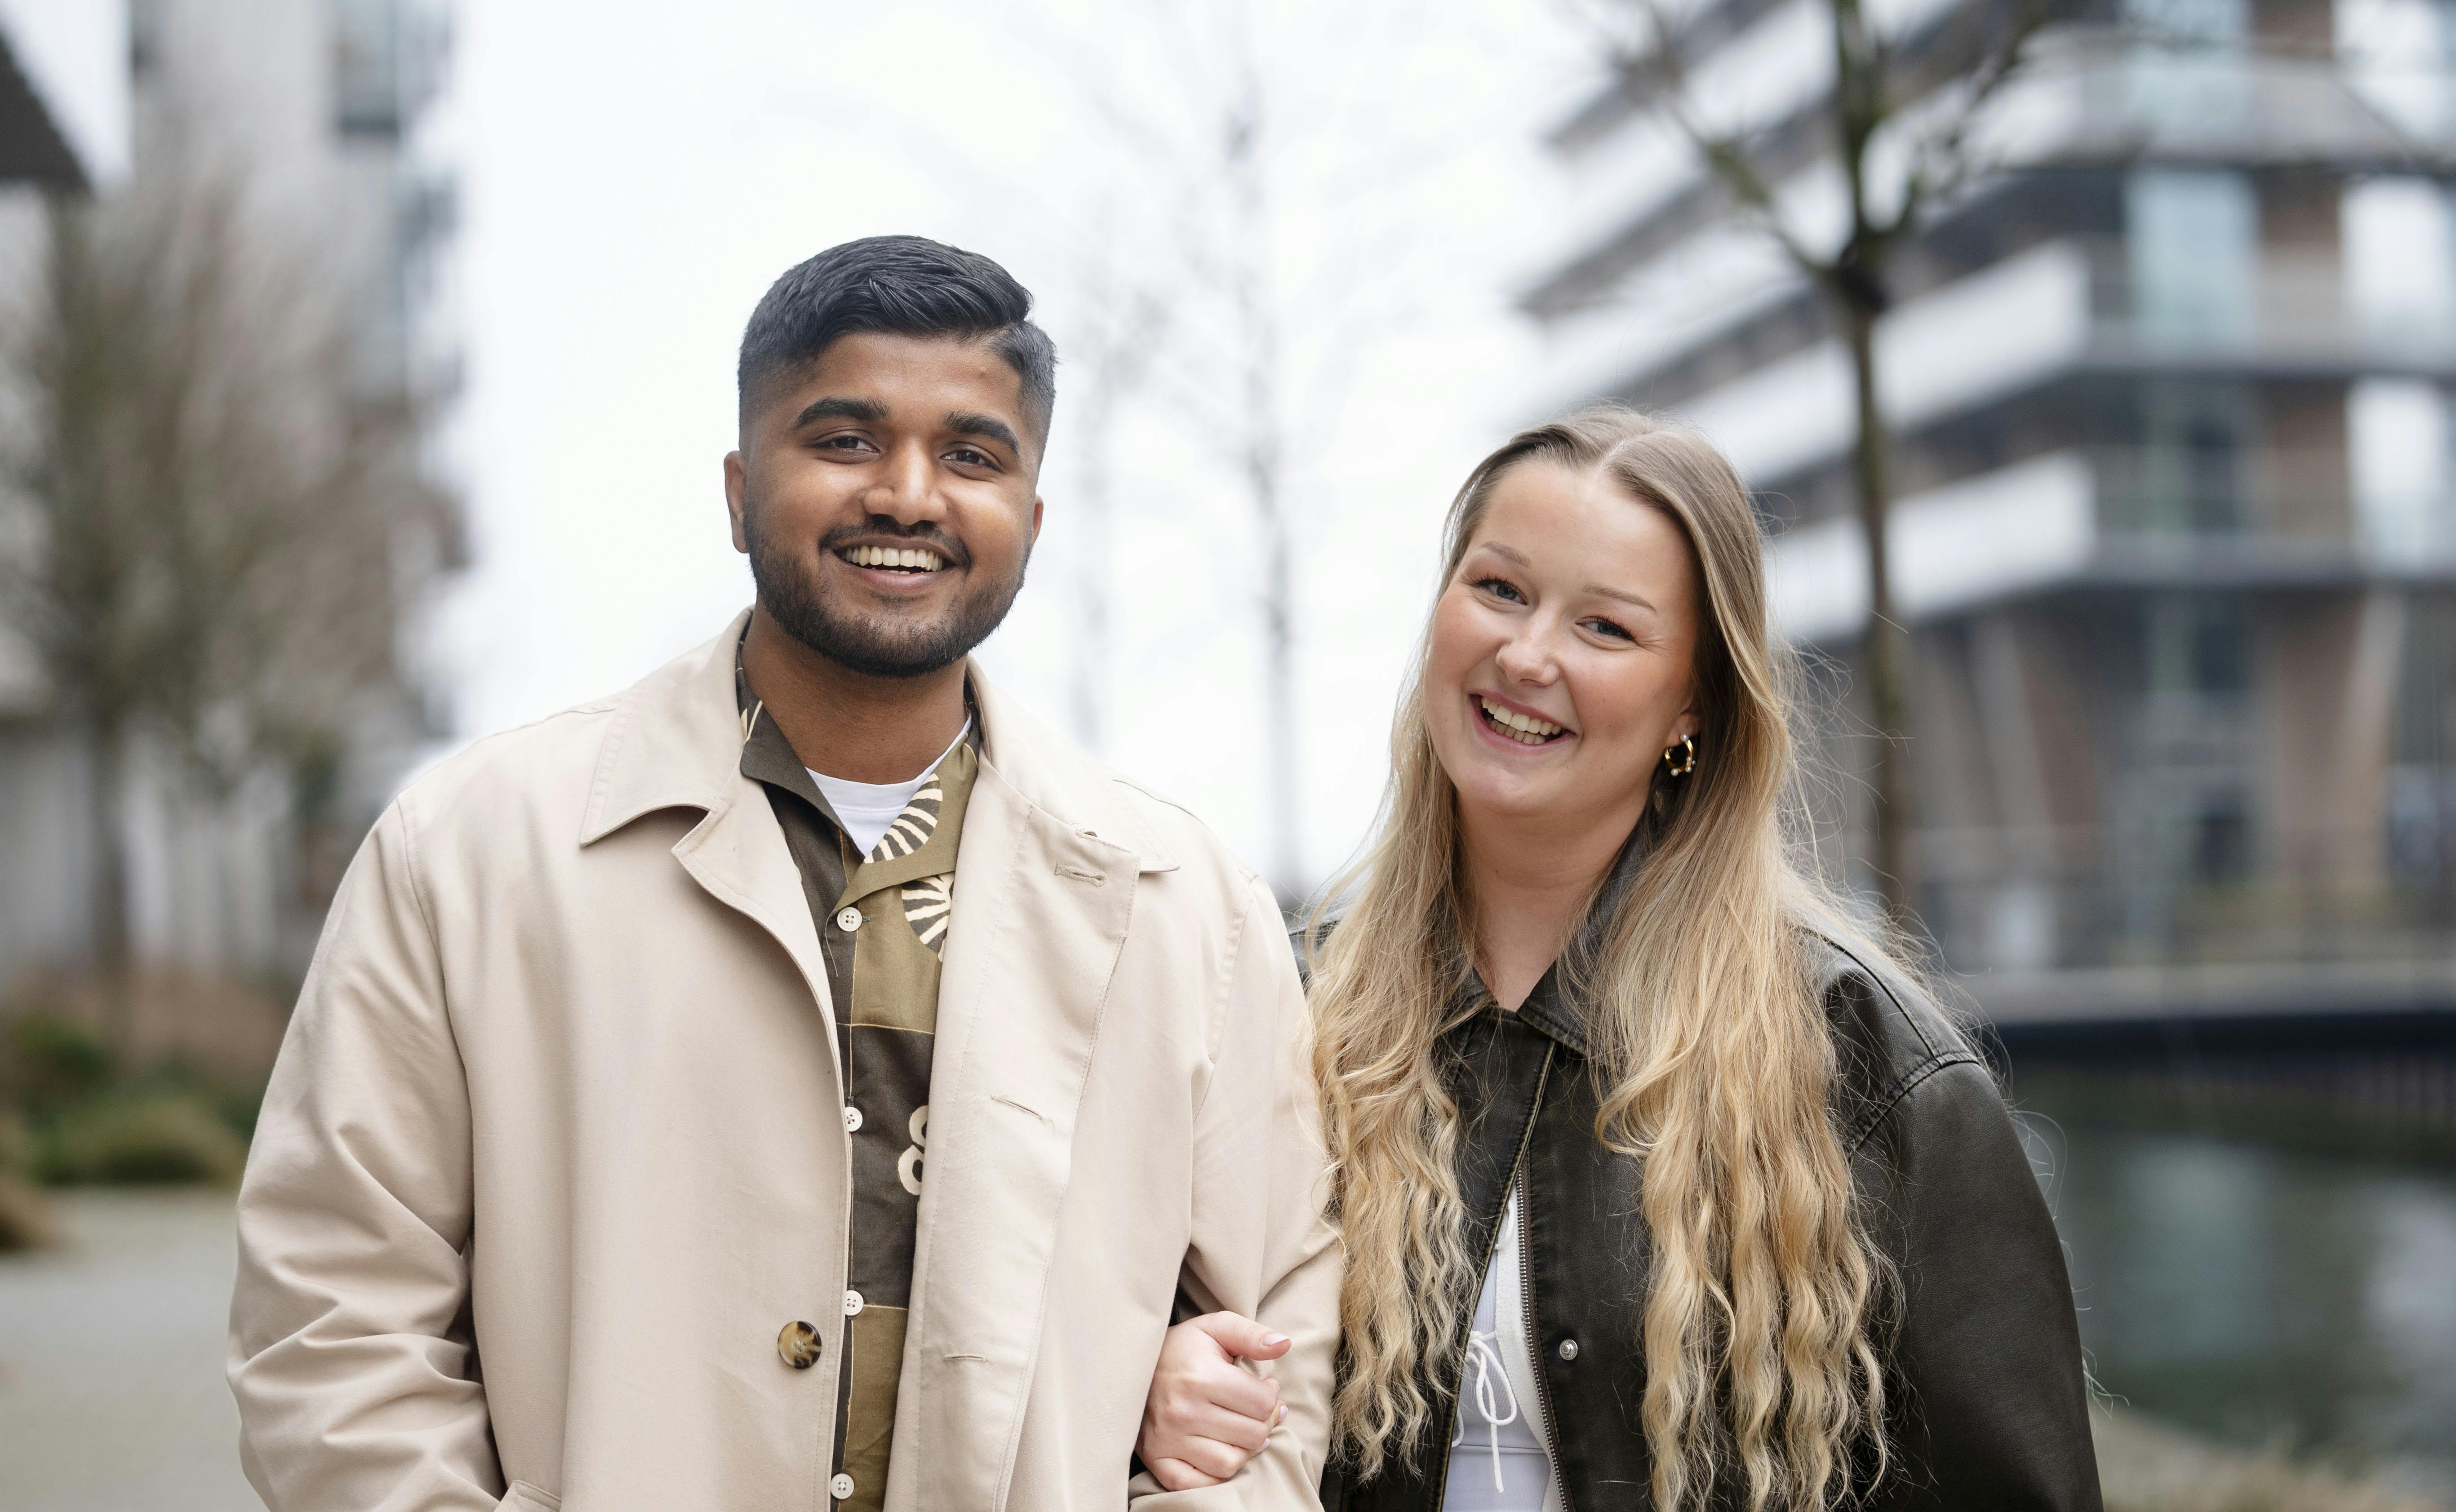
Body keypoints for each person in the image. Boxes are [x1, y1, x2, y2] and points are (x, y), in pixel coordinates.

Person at [229, 235, 1339, 1512]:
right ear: (741, 489)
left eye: (973, 454)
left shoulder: (1184, 899)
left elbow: (1282, 1322)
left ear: (1030, 520)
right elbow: (330, 1319)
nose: (910, 495)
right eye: (846, 439)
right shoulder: (474, 849)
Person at [1133, 409, 2099, 1511]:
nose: (1527, 653)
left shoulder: (1859, 1055)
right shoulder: (1289, 1017)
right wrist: (1152, 1384)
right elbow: (1110, 1353)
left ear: (1694, 703)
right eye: (1498, 589)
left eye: (1605, 628)